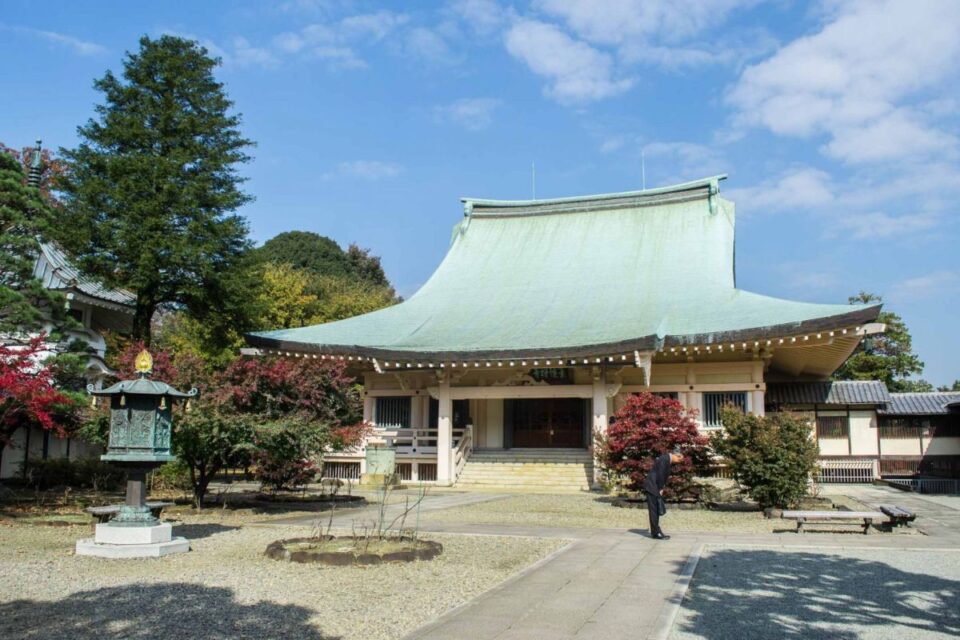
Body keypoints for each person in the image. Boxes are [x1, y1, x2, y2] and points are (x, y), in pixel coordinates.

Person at [644, 448, 684, 540]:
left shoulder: (665, 459)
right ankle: (656, 533)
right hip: (653, 486)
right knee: (654, 510)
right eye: (679, 459)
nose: (679, 461)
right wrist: (660, 488)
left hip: (653, 486)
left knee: (656, 510)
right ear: (675, 455)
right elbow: (660, 475)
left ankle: (656, 531)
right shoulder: (664, 459)